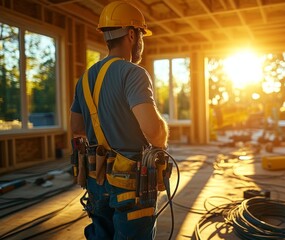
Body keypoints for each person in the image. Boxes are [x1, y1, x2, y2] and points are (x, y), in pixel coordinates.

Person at [70, 1, 169, 239]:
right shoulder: (133, 73)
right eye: (142, 35)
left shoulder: (84, 79)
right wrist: (163, 129)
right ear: (132, 34)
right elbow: (154, 133)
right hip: (130, 186)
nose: (142, 42)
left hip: (96, 182)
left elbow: (77, 129)